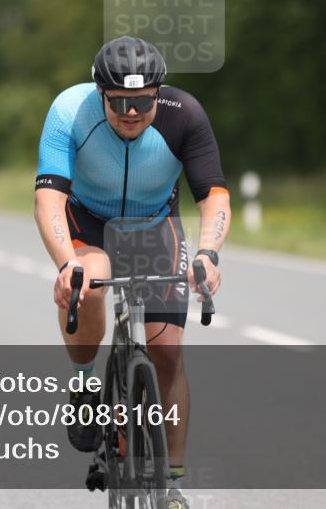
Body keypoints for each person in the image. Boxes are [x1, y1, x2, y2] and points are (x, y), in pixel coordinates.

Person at [34, 35, 231, 507]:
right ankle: (84, 383)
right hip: (90, 222)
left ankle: (173, 483)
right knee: (89, 283)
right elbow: (49, 199)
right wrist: (67, 265)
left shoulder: (185, 113)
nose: (130, 112)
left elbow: (214, 196)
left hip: (153, 224)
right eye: (118, 101)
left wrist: (207, 254)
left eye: (142, 102)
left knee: (166, 351)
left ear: (157, 94)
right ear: (99, 92)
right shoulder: (69, 111)